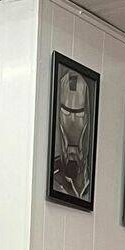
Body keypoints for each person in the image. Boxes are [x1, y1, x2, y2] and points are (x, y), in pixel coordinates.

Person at [52, 67, 93, 203]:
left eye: (79, 114)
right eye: (66, 112)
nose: (73, 121)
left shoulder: (92, 177)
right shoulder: (54, 177)